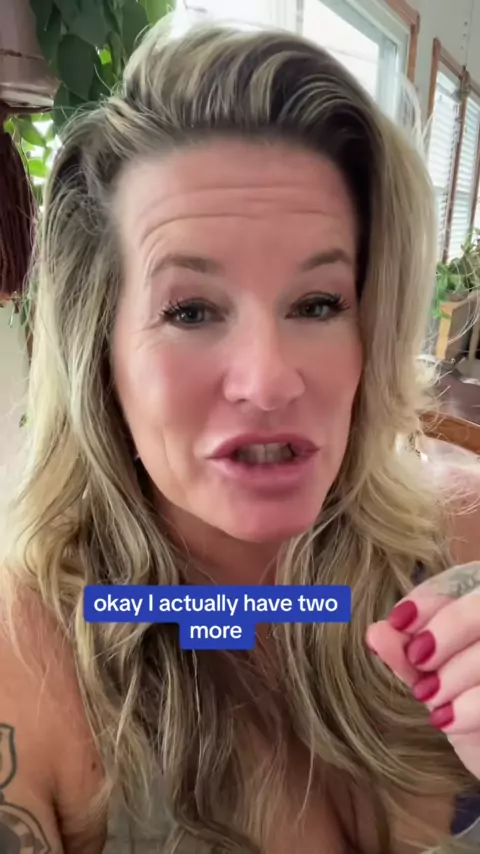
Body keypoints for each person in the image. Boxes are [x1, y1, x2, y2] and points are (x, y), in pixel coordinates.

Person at [0, 18, 479, 854]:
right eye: (191, 311)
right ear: (98, 351)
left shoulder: (458, 551)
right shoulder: (27, 656)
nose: (269, 379)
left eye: (318, 304)